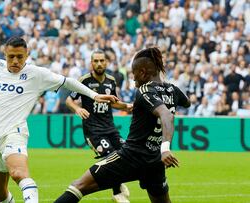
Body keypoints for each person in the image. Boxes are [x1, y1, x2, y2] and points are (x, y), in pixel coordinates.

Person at [0, 13, 118, 203]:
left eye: (19, 57)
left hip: (14, 132)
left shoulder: (36, 74)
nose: (15, 61)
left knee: (18, 173)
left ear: (27, 55)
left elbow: (68, 82)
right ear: (4, 54)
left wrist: (94, 95)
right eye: (11, 57)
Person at [54, 47, 190, 203]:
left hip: (132, 156)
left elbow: (166, 115)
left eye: (134, 73)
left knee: (78, 185)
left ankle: (118, 191)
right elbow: (186, 102)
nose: (133, 79)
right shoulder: (172, 90)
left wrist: (165, 149)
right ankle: (118, 190)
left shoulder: (145, 91)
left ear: (143, 72)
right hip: (155, 161)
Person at [66, 50, 132, 202]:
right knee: (111, 157)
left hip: (110, 128)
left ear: (106, 62)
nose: (99, 63)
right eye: (96, 61)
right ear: (91, 63)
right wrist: (77, 108)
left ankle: (118, 185)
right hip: (93, 131)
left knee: (126, 154)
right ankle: (117, 192)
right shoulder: (84, 81)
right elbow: (69, 101)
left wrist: (126, 106)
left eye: (102, 60)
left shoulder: (111, 80)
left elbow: (114, 102)